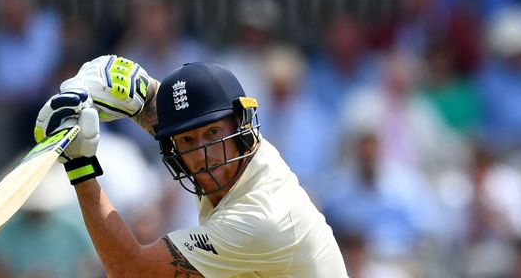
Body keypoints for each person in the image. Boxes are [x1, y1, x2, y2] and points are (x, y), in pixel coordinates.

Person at [34, 55, 349, 277]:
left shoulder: (260, 218)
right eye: (187, 142)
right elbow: (182, 123)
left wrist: (80, 165)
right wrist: (139, 96)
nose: (203, 156)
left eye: (212, 133)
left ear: (242, 126)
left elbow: (131, 272)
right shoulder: (250, 156)